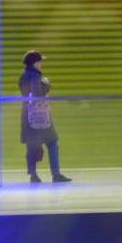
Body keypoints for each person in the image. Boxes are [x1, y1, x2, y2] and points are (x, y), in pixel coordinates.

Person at [18, 50, 72, 184]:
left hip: (27, 114)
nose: (41, 63)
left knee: (31, 145)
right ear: (34, 63)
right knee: (52, 142)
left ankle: (33, 175)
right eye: (40, 61)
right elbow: (38, 93)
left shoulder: (23, 76)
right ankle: (56, 174)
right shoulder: (35, 76)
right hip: (40, 115)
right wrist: (46, 84)